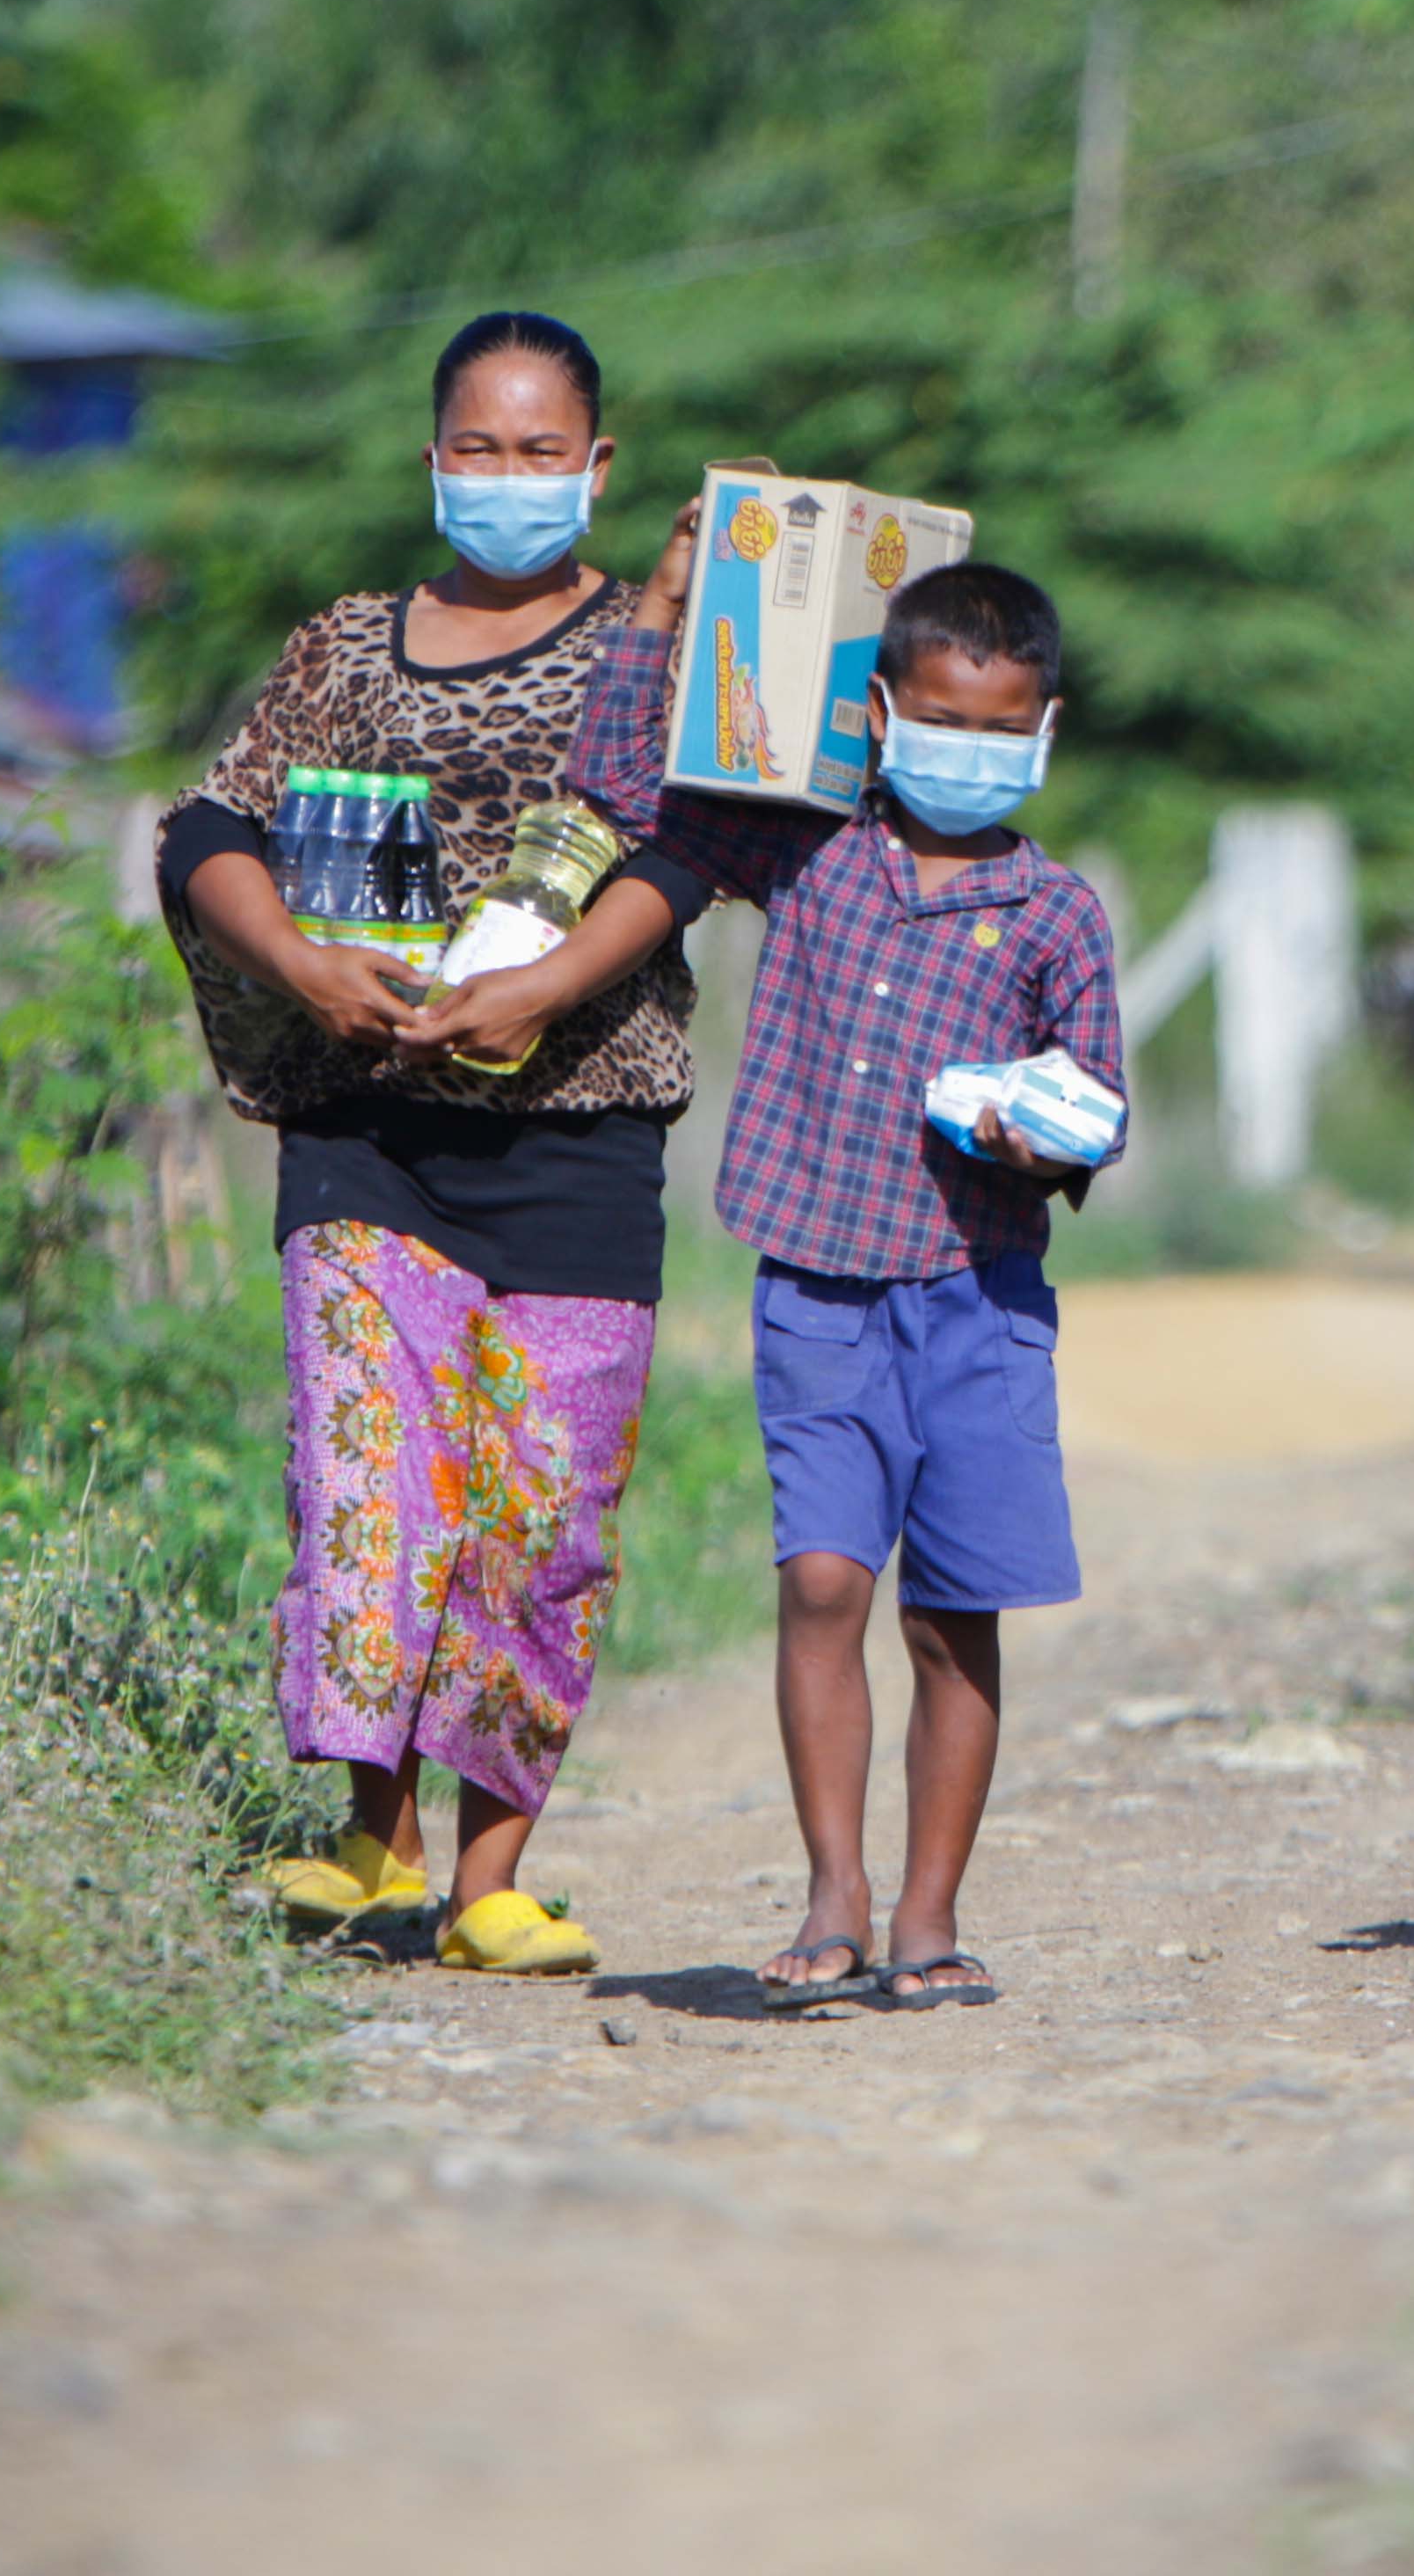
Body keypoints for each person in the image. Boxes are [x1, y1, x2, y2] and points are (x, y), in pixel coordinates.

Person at [160, 309, 710, 1979]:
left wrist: (539, 985)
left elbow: (684, 852)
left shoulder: (660, 653)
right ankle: (364, 1843)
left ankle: (494, 1877)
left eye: (543, 453)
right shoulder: (340, 644)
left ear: (597, 471)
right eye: (479, 447)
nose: (508, 479)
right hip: (366, 1131)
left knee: (539, 1507)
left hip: (580, 1137)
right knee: (371, 1480)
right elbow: (210, 829)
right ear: (432, 459)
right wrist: (307, 967)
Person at [551, 560, 1122, 2012]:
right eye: (940, 720)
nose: (968, 752)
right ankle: (834, 1889)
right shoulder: (805, 849)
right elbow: (623, 779)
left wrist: (1038, 1126)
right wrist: (660, 615)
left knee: (950, 1615)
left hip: (978, 1296)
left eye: (1001, 731)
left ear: (1045, 731)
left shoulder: (1056, 914)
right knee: (819, 1583)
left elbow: (1095, 1102)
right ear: (880, 714)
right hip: (813, 1282)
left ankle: (929, 1914)